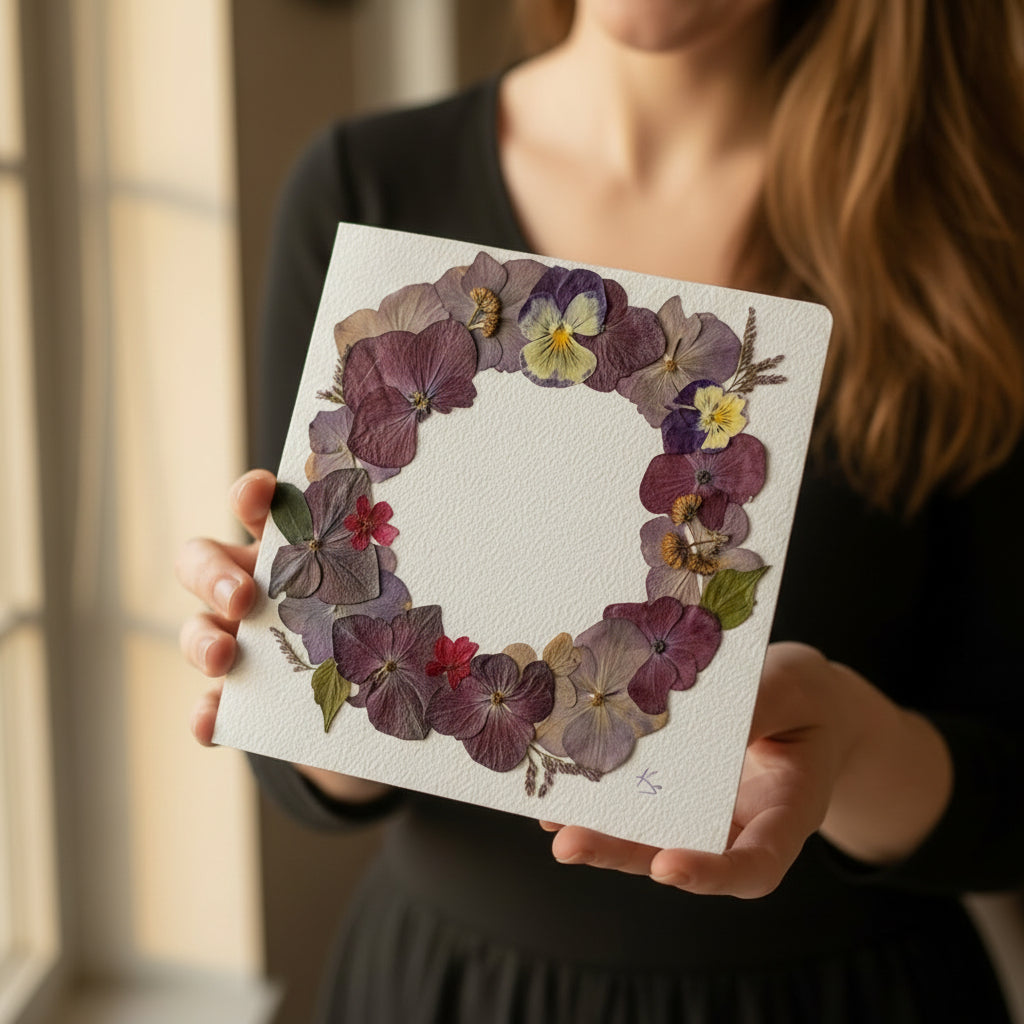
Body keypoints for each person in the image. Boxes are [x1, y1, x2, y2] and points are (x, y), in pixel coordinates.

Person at [177, 0, 1024, 1020]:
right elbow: (312, 775)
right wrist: (288, 657)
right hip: (449, 991)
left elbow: (1007, 789)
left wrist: (851, 743)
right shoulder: (366, 183)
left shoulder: (975, 220)